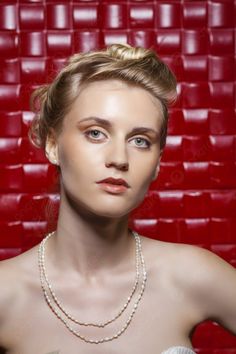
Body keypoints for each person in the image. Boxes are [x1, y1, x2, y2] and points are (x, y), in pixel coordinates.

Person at [0, 43, 235, 354]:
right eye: (96, 133)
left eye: (140, 140)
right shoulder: (6, 295)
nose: (119, 158)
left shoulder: (191, 274)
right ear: (53, 145)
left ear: (157, 163)